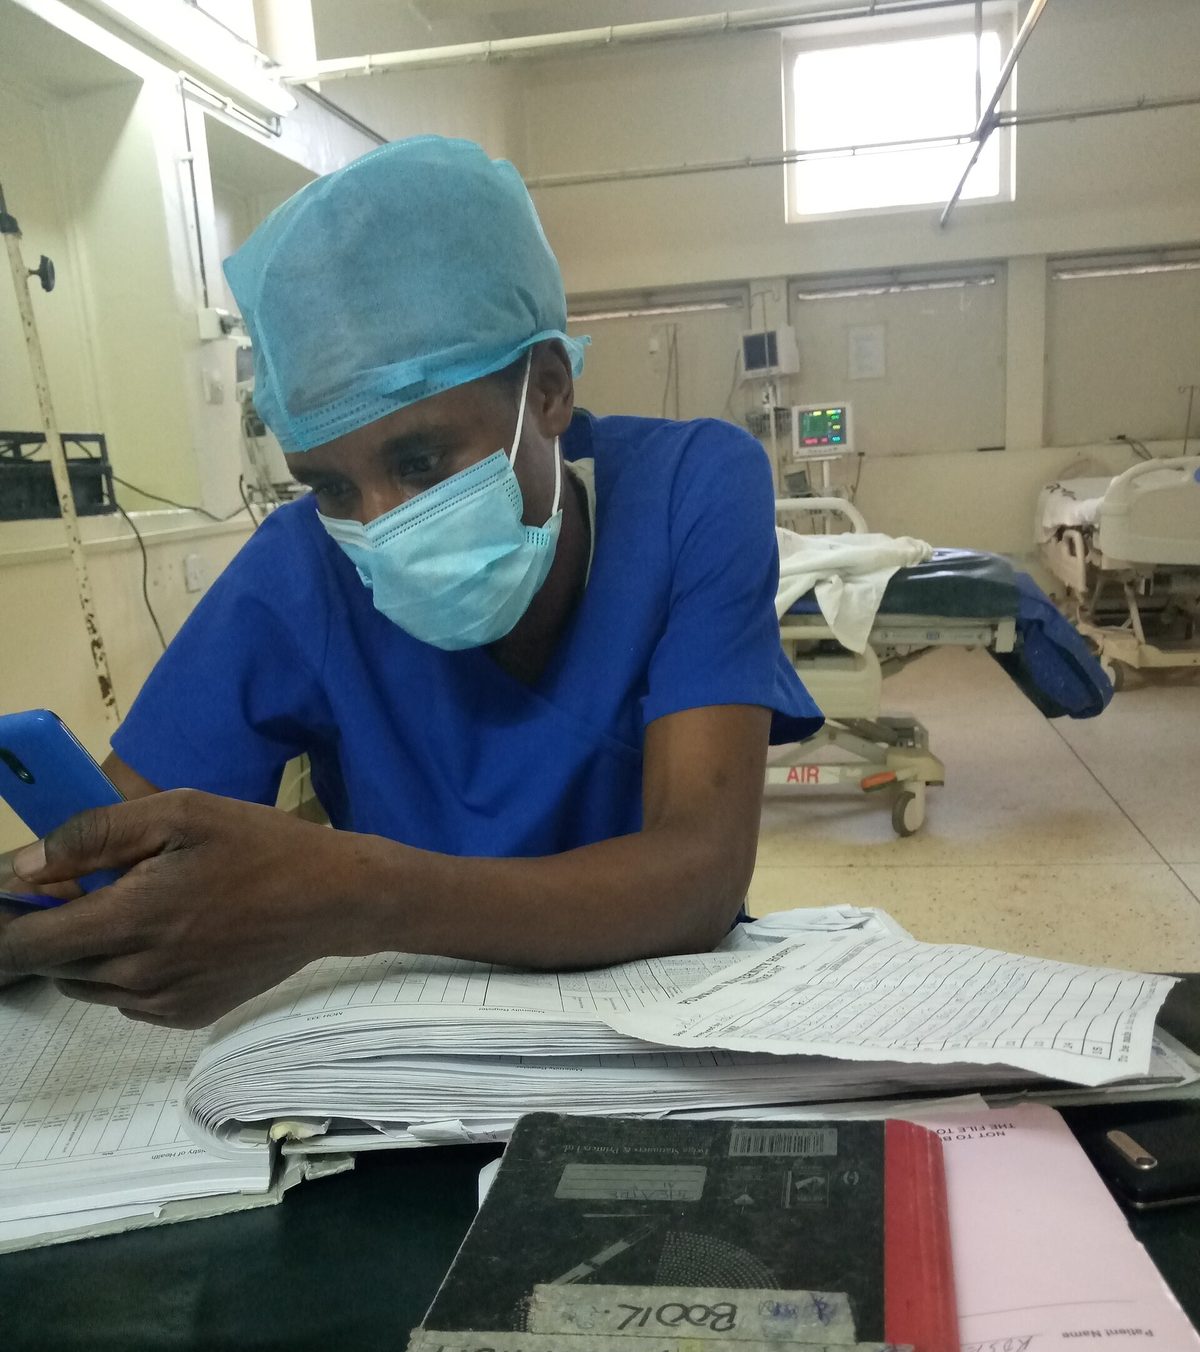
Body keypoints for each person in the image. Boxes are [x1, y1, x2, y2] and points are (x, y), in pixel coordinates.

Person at [0, 136, 819, 1027]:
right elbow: (101, 846)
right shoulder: (302, 566)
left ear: (548, 390)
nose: (382, 521)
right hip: (408, 1046)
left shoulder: (690, 489)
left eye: (422, 461)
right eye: (334, 486)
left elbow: (695, 875)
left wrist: (354, 894)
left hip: (659, 1013)